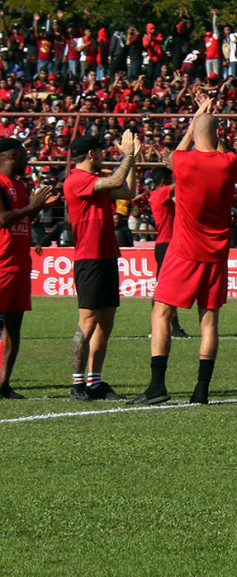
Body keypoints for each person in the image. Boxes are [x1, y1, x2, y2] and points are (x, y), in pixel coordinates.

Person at [129, 94, 237, 406]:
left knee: (161, 313)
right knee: (209, 321)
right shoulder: (229, 163)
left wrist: (195, 120)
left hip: (183, 252)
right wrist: (205, 122)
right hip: (216, 256)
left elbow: (178, 150)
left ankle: (157, 385)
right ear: (218, 135)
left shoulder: (183, 161)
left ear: (195, 132)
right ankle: (201, 391)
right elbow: (218, 149)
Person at [64, 131, 138, 401]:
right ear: (92, 154)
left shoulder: (94, 180)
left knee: (105, 323)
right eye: (102, 152)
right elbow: (118, 179)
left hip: (106, 256)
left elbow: (127, 190)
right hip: (90, 258)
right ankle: (77, 384)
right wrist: (127, 156)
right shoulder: (76, 180)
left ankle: (95, 383)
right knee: (88, 321)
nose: (105, 155)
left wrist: (134, 159)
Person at [0, 138, 59, 399]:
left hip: (20, 265)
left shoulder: (21, 187)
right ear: (12, 155)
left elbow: (19, 218)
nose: (28, 160)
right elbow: (2, 220)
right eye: (25, 156)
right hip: (1, 265)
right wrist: (32, 207)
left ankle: (3, 384)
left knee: (14, 327)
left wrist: (37, 209)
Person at [147, 165, 188, 338]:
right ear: (164, 182)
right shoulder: (158, 194)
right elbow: (180, 183)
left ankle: (169, 327)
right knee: (165, 289)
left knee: (168, 287)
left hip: (168, 245)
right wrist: (175, 165)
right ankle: (170, 327)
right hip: (166, 245)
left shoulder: (162, 198)